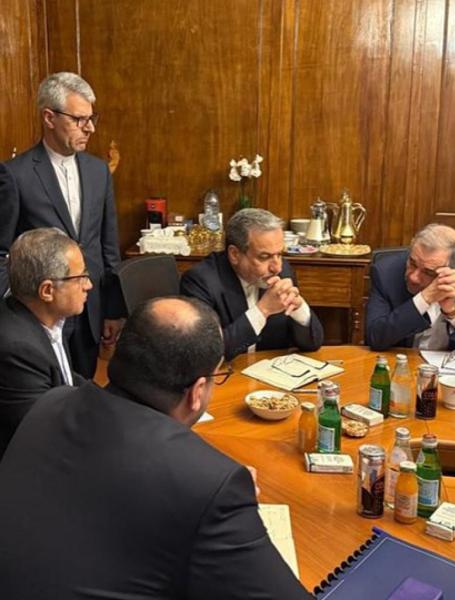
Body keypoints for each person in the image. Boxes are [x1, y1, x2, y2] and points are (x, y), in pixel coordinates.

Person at [0, 297, 313, 599]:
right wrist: (211, 485)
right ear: (197, 392)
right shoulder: (209, 486)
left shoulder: (51, 403)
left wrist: (203, 476)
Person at [0, 72, 124, 379]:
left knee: (83, 389)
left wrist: (112, 309)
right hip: (39, 313)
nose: (90, 128)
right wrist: (11, 317)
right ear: (49, 117)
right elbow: (2, 253)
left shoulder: (99, 171)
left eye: (92, 118)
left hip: (90, 306)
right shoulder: (15, 175)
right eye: (79, 119)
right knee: (47, 394)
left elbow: (108, 246)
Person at [181, 208, 323, 361]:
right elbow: (206, 353)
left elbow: (312, 344)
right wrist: (263, 310)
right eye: (264, 257)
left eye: (279, 254)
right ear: (234, 255)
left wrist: (299, 309)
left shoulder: (282, 272)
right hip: (228, 373)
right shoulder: (201, 281)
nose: (277, 267)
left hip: (271, 371)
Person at [0, 228, 91, 458]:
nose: (88, 285)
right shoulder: (17, 348)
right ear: (48, 290)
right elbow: (45, 433)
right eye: (81, 277)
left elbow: (67, 378)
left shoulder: (50, 319)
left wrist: (114, 404)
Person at [365, 223, 455, 355]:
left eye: (428, 272)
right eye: (412, 263)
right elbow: (375, 338)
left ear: (454, 270)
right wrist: (424, 299)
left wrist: (453, 312)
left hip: (453, 367)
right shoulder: (385, 272)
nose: (413, 277)